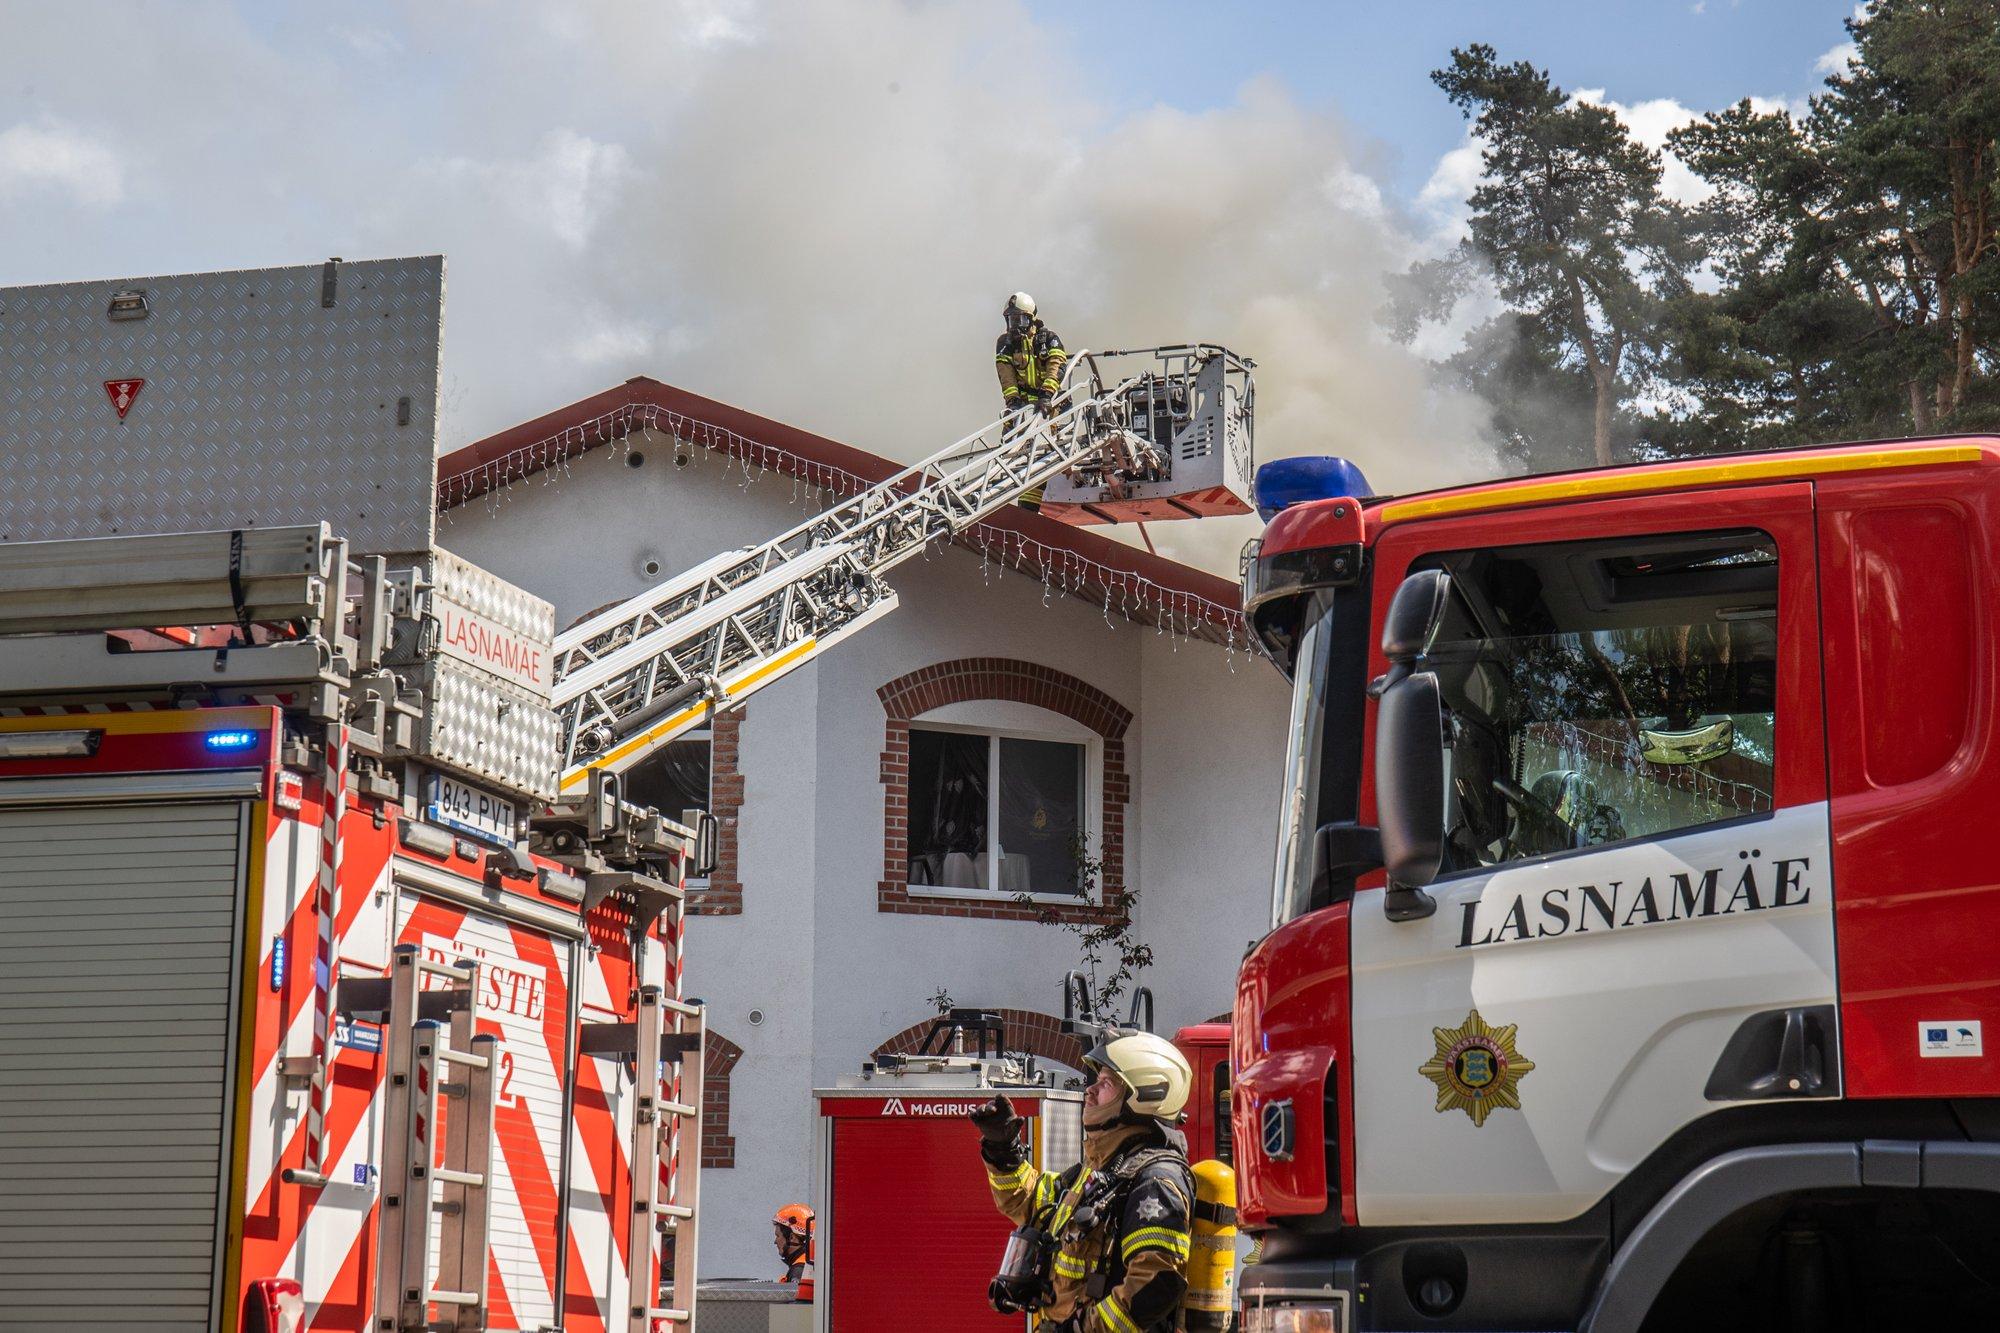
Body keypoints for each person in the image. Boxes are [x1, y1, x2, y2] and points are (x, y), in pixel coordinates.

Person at [971, 1032, 1195, 1333]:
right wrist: (1004, 1151)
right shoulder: (1101, 1172)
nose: (1090, 1091)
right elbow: (1033, 1204)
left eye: (1106, 1084)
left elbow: (1154, 1284)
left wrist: (1081, 1329)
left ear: (1145, 1094)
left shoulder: (1155, 1181)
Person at [996, 291, 1069, 417]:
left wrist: (1046, 395)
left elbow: (1056, 368)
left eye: (1020, 320)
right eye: (1011, 320)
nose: (1015, 326)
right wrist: (1013, 401)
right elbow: (1006, 377)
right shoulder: (1005, 343)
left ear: (1031, 319)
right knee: (1010, 435)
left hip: (1048, 402)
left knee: (1047, 433)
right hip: (1020, 406)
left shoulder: (1049, 339)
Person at [772, 1203, 814, 1283]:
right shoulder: (807, 1264)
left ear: (792, 1237)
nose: (775, 1242)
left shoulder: (798, 1271)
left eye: (777, 1236)